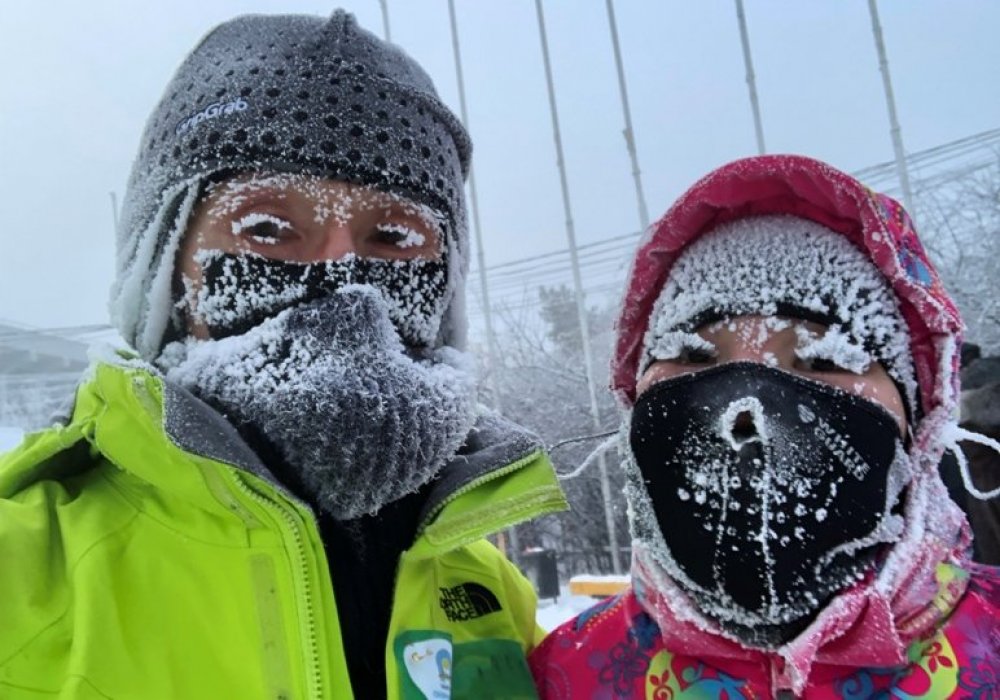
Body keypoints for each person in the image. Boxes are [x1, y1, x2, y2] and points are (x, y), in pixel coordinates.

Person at [0, 10, 566, 699]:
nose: (344, 276)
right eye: (267, 228)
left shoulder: (489, 590)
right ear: (164, 273)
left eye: (392, 235)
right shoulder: (23, 569)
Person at [529, 155, 1000, 697]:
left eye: (826, 360)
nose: (744, 407)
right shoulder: (557, 678)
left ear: (919, 418)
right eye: (692, 356)